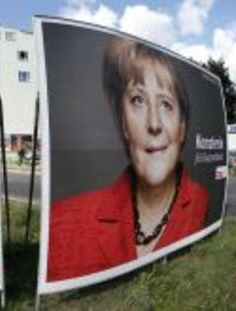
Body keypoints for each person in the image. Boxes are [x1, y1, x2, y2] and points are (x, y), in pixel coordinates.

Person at [47, 37, 209, 281]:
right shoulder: (61, 224)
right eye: (138, 100)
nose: (154, 124)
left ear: (183, 127)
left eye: (166, 104)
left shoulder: (200, 200)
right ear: (123, 122)